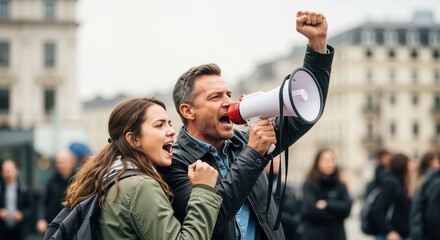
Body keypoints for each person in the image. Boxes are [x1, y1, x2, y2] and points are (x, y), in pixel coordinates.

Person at [157, 10, 334, 240]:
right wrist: (253, 153)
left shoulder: (242, 142)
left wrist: (317, 46)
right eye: (215, 97)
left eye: (228, 94)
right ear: (188, 111)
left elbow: (304, 110)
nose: (227, 102)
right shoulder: (175, 162)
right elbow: (212, 219)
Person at [61, 97, 222, 239]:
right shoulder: (140, 186)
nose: (172, 131)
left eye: (169, 124)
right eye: (159, 125)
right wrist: (204, 189)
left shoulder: (112, 176)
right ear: (133, 139)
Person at [301, 148, 352, 240]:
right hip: (315, 235)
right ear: (317, 163)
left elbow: (347, 208)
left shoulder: (341, 184)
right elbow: (310, 210)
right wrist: (337, 214)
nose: (330, 163)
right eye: (325, 160)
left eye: (332, 159)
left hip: (337, 235)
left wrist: (327, 204)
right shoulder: (309, 184)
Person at [36, 149, 78, 234]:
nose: (59, 165)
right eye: (58, 163)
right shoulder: (51, 180)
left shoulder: (78, 180)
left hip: (72, 226)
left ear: (71, 163)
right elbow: (44, 201)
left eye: (62, 163)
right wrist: (41, 219)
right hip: (53, 225)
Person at [372, 153, 412, 240]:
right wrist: (389, 231)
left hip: (400, 233)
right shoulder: (391, 182)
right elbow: (378, 209)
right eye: (409, 163)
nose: (412, 166)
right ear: (402, 165)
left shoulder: (401, 181)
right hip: (392, 235)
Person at [0, 160, 31, 240]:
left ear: (16, 171)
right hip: (2, 230)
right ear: (2, 173)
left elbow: (29, 207)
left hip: (19, 230)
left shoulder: (23, 189)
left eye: (11, 170)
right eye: (6, 171)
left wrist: (22, 215)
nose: (9, 174)